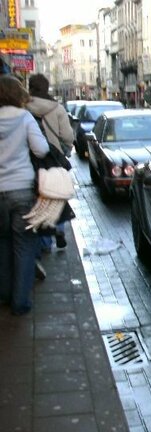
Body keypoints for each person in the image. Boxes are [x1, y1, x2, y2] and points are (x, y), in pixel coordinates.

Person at [0, 75, 50, 315]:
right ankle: (20, 302)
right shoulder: (24, 117)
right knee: (24, 247)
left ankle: (4, 294)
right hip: (21, 189)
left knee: (2, 244)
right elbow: (41, 149)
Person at [26, 74, 75, 252]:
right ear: (47, 88)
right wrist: (65, 149)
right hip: (54, 159)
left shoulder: (23, 107)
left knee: (39, 198)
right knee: (56, 196)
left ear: (30, 87)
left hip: (31, 160)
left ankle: (45, 242)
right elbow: (68, 136)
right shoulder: (57, 108)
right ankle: (59, 229)